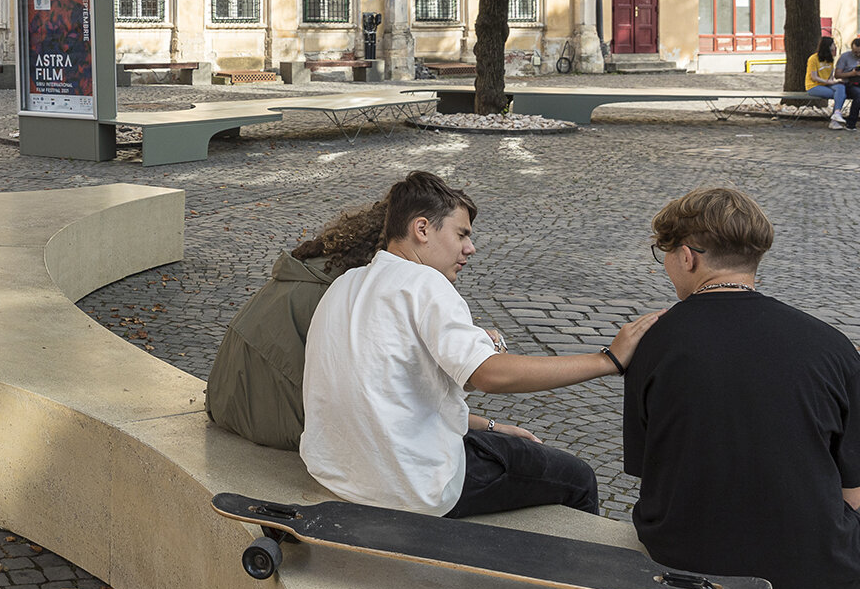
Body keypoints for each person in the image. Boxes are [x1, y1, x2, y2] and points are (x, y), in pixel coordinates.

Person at [300, 171, 656, 518]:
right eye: (461, 234)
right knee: (578, 478)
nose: (470, 248)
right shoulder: (426, 284)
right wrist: (607, 360)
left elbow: (388, 397)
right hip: (411, 486)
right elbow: (489, 375)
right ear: (422, 229)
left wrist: (490, 426)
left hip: (336, 473)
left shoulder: (346, 284)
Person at [626, 187, 860, 589]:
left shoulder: (651, 342)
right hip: (813, 577)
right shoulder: (830, 345)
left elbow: (650, 470)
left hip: (684, 556)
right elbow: (851, 493)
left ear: (687, 257)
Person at [206, 200, 387, 450]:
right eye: (460, 234)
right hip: (260, 412)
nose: (463, 248)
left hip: (225, 398)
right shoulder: (351, 286)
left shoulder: (323, 265)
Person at [804, 36, 848, 130]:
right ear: (827, 46)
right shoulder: (813, 59)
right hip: (813, 87)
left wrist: (834, 82)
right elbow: (814, 77)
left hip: (826, 85)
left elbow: (830, 76)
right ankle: (834, 121)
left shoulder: (830, 59)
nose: (835, 46)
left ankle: (836, 114)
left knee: (841, 88)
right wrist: (829, 82)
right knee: (841, 95)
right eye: (833, 44)